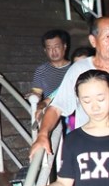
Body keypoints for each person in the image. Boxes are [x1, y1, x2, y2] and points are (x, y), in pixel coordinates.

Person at [31, 17, 109, 161]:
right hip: (90, 151)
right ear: (93, 41)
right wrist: (42, 135)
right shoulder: (79, 70)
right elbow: (56, 107)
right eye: (107, 37)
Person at [27, 29, 73, 123]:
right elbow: (37, 92)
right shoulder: (41, 70)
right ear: (45, 50)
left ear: (64, 46)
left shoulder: (75, 68)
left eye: (57, 47)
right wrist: (34, 95)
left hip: (72, 111)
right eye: (49, 48)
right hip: (52, 113)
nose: (53, 51)